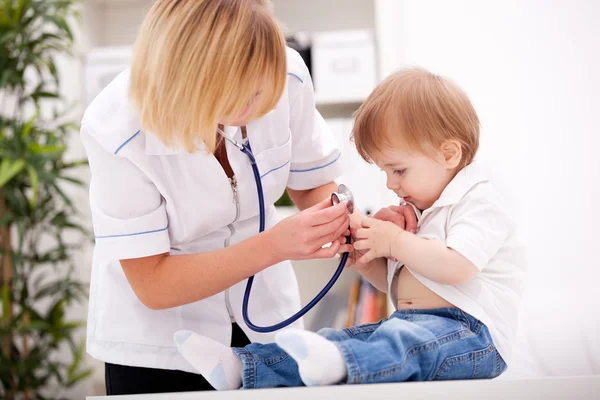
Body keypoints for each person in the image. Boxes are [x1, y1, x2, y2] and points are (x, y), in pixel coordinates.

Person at [81, 0, 418, 395]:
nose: (255, 108)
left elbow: (311, 181)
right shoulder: (116, 127)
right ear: (189, 79)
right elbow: (153, 282)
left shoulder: (286, 73)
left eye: (263, 93)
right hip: (160, 346)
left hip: (268, 324)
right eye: (240, 97)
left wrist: (351, 221)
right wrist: (275, 246)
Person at [174, 67, 527, 389]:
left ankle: (333, 366)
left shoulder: (481, 198)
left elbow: (457, 267)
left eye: (399, 170)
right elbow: (399, 285)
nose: (390, 184)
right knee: (342, 338)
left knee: (397, 343)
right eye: (385, 172)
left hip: (473, 337)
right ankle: (245, 367)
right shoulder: (420, 212)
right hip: (420, 327)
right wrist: (369, 257)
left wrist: (395, 241)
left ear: (449, 154)